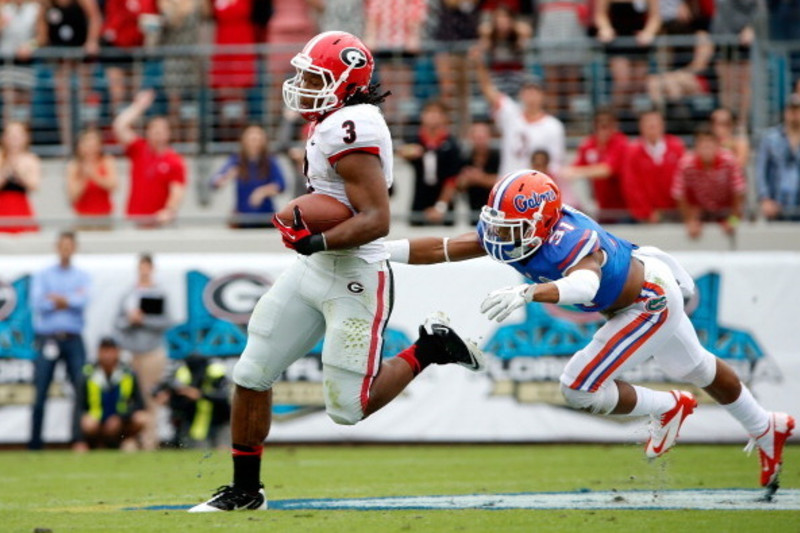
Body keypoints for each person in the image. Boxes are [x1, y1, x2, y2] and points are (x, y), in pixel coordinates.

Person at [189, 31, 484, 513]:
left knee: (348, 409)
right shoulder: (331, 120)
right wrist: (314, 246)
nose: (302, 83)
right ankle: (246, 492)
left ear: (347, 83)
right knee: (251, 370)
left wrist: (316, 238)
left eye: (315, 76)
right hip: (314, 269)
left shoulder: (353, 125)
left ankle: (430, 347)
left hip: (356, 275)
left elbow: (376, 219)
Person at [386, 169, 795, 495]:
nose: (498, 237)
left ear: (541, 223)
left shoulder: (569, 240)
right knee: (698, 366)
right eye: (497, 225)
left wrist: (531, 291)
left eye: (510, 228)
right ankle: (765, 425)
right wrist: (381, 249)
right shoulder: (524, 232)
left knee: (577, 386)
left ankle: (667, 406)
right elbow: (442, 248)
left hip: (644, 301)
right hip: (639, 288)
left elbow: (586, 286)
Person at [29, 231, 91, 450]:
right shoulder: (44, 274)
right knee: (41, 389)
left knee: (81, 387)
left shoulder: (82, 275)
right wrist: (68, 300)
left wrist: (58, 299)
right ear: (57, 247)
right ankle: (35, 442)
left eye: (69, 245)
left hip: (73, 338)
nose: (66, 249)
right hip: (49, 338)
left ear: (74, 248)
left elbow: (82, 302)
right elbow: (39, 303)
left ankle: (78, 439)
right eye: (62, 245)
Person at [472, 45, 565, 179]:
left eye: (535, 91)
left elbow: (555, 164)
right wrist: (479, 65)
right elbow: (488, 90)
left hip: (535, 188)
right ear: (521, 94)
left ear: (543, 95)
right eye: (528, 91)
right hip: (508, 182)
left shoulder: (553, 126)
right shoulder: (510, 114)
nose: (531, 96)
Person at [113, 252, 172, 450]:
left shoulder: (159, 293)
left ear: (151, 269)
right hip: (132, 352)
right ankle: (128, 440)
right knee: (128, 398)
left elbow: (166, 321)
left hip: (152, 351)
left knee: (151, 398)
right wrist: (130, 321)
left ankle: (150, 441)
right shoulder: (129, 294)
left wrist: (143, 319)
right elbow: (117, 323)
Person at [112, 89, 187, 226]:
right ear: (147, 131)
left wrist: (169, 210)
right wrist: (138, 106)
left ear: (168, 133)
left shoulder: (174, 160)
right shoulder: (139, 148)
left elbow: (177, 190)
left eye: (162, 129)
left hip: (157, 221)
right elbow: (119, 126)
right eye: (154, 128)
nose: (157, 132)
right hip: (134, 219)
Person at [37, 0, 102, 147]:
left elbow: (95, 17)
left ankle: (89, 144)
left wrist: (92, 41)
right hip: (60, 58)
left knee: (85, 98)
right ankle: (67, 144)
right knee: (63, 102)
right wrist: (40, 45)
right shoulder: (47, 4)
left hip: (81, 57)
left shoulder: (83, 2)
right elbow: (41, 31)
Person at [672, 124, 746, 240]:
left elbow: (739, 192)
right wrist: (690, 220)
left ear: (717, 145)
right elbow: (678, 194)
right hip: (699, 211)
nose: (707, 148)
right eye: (703, 144)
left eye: (710, 144)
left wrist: (733, 220)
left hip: (725, 210)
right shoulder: (686, 164)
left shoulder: (729, 161)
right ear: (696, 146)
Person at [398, 99, 464, 226]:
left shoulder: (452, 145)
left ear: (445, 118)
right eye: (429, 112)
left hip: (444, 206)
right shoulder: (416, 140)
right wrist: (410, 151)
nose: (432, 116)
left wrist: (440, 207)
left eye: (437, 113)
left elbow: (452, 179)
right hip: (419, 202)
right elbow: (401, 151)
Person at [209, 124, 286, 228]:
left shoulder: (270, 161)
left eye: (258, 138)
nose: (254, 142)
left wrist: (262, 191)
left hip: (265, 217)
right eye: (251, 138)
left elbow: (281, 185)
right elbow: (214, 182)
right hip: (243, 218)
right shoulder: (236, 160)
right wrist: (226, 176)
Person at [562, 107, 630, 223]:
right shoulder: (589, 144)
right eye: (600, 124)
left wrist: (578, 172)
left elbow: (607, 170)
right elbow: (572, 170)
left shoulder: (620, 142)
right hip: (602, 209)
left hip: (624, 208)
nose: (604, 129)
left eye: (607, 125)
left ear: (614, 126)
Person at [79, 337, 147, 451]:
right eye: (104, 351)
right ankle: (95, 444)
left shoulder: (128, 373)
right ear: (98, 353)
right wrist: (79, 440)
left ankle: (127, 440)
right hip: (98, 422)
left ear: (117, 352)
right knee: (88, 422)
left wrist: (120, 417)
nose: (107, 356)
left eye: (110, 351)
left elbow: (140, 404)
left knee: (142, 417)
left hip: (121, 423)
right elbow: (79, 407)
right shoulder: (88, 374)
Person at [154, 354, 230, 448]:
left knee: (221, 447)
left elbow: (225, 397)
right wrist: (166, 394)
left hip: (217, 419)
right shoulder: (181, 371)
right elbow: (160, 388)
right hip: (189, 418)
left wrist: (201, 395)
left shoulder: (216, 373)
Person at [623, 108, 685, 223]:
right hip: (647, 217)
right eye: (648, 122)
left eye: (655, 122)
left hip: (676, 213)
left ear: (662, 125)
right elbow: (632, 186)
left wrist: (684, 211)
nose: (652, 125)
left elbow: (683, 181)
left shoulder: (676, 147)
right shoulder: (632, 152)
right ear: (641, 126)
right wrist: (646, 212)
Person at [756, 95, 800, 222]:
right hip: (776, 205)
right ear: (786, 112)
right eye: (791, 110)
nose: (794, 114)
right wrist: (765, 199)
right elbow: (761, 171)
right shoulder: (770, 139)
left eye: (797, 110)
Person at [66, 128, 118, 224]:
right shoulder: (74, 165)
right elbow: (72, 196)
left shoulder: (107, 161)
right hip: (82, 217)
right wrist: (83, 178)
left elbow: (113, 185)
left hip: (104, 216)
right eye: (87, 143)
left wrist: (95, 175)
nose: (90, 148)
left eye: (94, 143)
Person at [457, 119, 500, 225]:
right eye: (476, 137)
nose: (479, 140)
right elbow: (458, 185)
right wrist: (466, 180)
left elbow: (504, 182)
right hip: (473, 211)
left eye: (482, 136)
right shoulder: (465, 158)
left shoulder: (498, 157)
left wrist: (479, 178)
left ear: (489, 137)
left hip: (497, 214)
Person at [0, 121, 40, 233]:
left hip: (20, 206)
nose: (14, 139)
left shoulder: (31, 159)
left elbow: (34, 186)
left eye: (18, 135)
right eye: (11, 135)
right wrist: (6, 167)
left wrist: (19, 171)